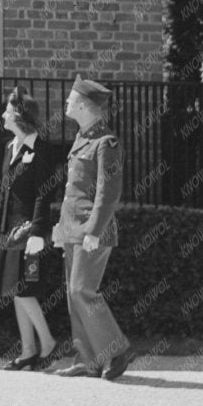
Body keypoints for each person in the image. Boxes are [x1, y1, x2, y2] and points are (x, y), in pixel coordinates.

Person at [52, 74, 134, 381]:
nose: (66, 103)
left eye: (71, 99)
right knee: (73, 295)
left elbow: (107, 193)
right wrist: (62, 230)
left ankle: (116, 351)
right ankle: (87, 360)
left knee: (81, 290)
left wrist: (94, 231)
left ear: (85, 106)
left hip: (91, 230)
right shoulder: (82, 138)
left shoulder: (106, 143)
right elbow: (72, 192)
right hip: (73, 228)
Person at [0, 88, 63, 369]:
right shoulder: (10, 148)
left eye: (7, 110)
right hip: (11, 232)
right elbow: (4, 194)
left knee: (24, 289)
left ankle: (49, 344)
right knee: (15, 289)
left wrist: (37, 233)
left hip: (30, 232)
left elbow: (45, 193)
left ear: (19, 115)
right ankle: (29, 351)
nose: (3, 115)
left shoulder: (42, 149)